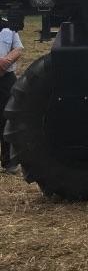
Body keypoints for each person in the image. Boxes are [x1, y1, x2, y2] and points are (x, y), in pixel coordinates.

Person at [0, 24, 24, 174]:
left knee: (8, 118)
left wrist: (5, 62)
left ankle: (9, 162)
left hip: (6, 79)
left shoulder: (8, 27)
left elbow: (18, 48)